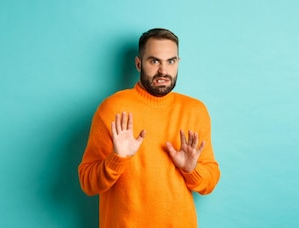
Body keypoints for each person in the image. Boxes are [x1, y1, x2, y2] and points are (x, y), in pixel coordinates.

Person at [78, 28, 221, 227]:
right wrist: (116, 160)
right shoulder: (112, 108)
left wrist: (191, 170)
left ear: (178, 63)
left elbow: (210, 182)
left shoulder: (195, 111)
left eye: (170, 61)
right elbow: (88, 183)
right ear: (139, 64)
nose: (163, 71)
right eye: (154, 61)